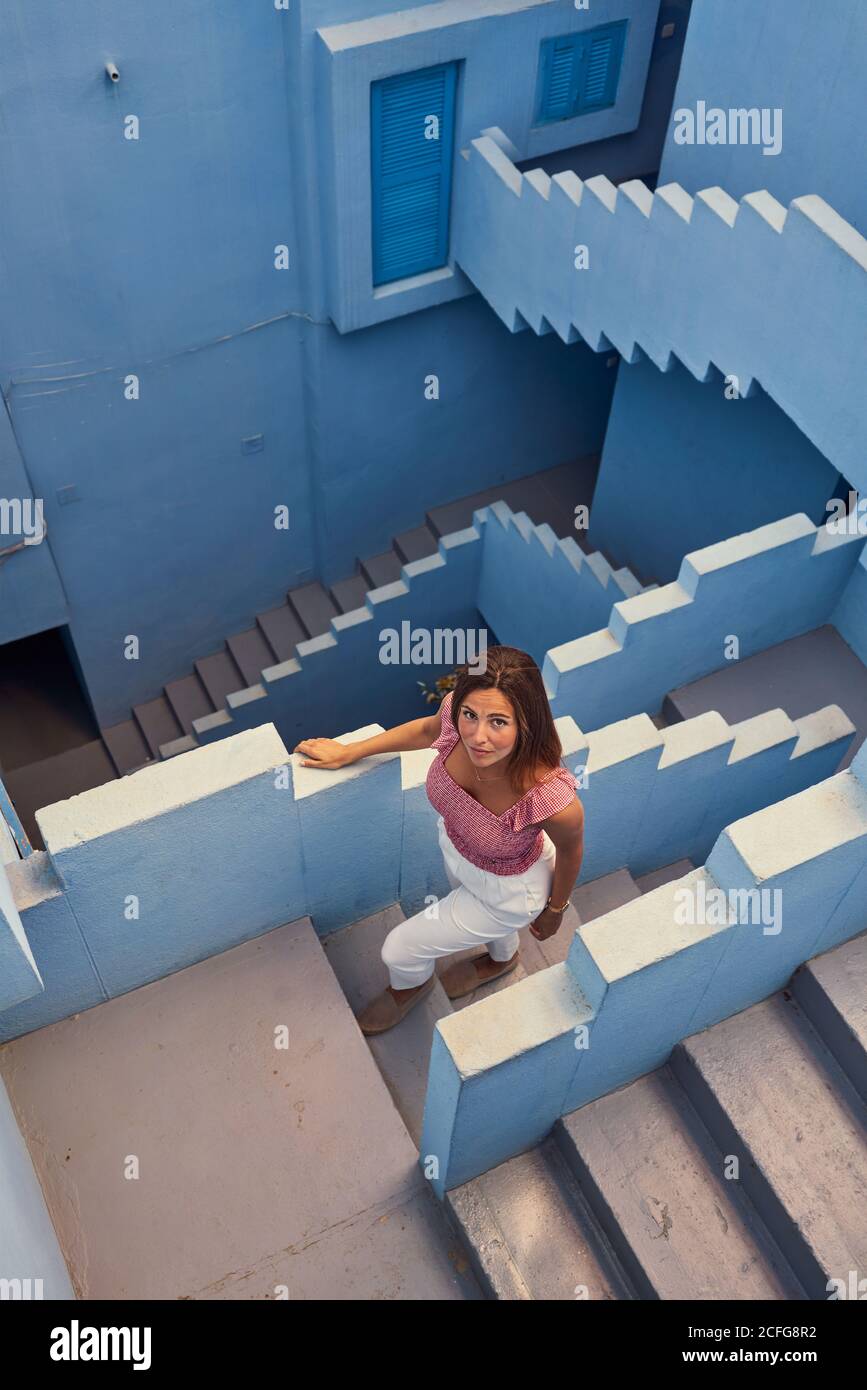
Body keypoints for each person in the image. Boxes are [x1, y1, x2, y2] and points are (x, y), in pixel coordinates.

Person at [293, 645, 585, 1035]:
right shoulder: (454, 717)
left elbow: (570, 848)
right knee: (480, 919)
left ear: (527, 723)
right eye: (470, 716)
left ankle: (409, 987)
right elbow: (428, 730)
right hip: (457, 848)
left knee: (399, 947)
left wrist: (555, 909)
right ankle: (503, 960)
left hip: (512, 889)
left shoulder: (548, 796)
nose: (478, 737)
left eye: (499, 722)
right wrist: (350, 751)